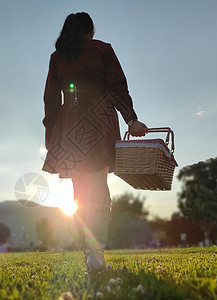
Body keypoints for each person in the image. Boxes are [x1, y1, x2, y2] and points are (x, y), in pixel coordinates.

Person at [42, 12, 148, 271]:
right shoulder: (102, 49)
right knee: (98, 187)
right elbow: (117, 86)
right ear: (89, 30)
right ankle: (96, 254)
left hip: (69, 123)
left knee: (79, 192)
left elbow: (51, 99)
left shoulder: (57, 58)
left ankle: (90, 253)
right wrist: (131, 119)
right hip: (100, 119)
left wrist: (50, 135)